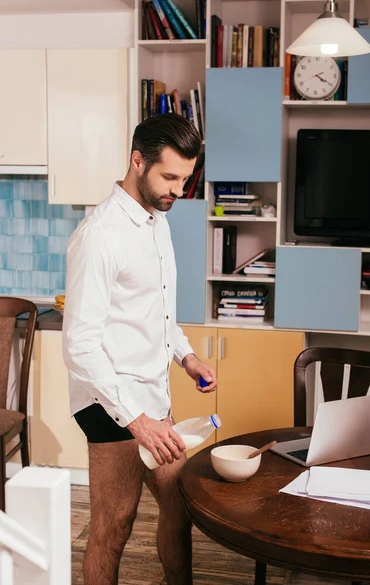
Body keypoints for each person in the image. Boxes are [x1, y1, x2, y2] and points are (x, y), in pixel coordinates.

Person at [62, 113, 217, 585]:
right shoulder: (99, 236)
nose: (178, 189)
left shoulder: (156, 219)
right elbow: (80, 346)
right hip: (109, 403)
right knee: (115, 524)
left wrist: (186, 357)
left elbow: (158, 312)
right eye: (169, 176)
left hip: (153, 395)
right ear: (137, 161)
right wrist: (136, 420)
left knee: (178, 506)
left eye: (185, 179)